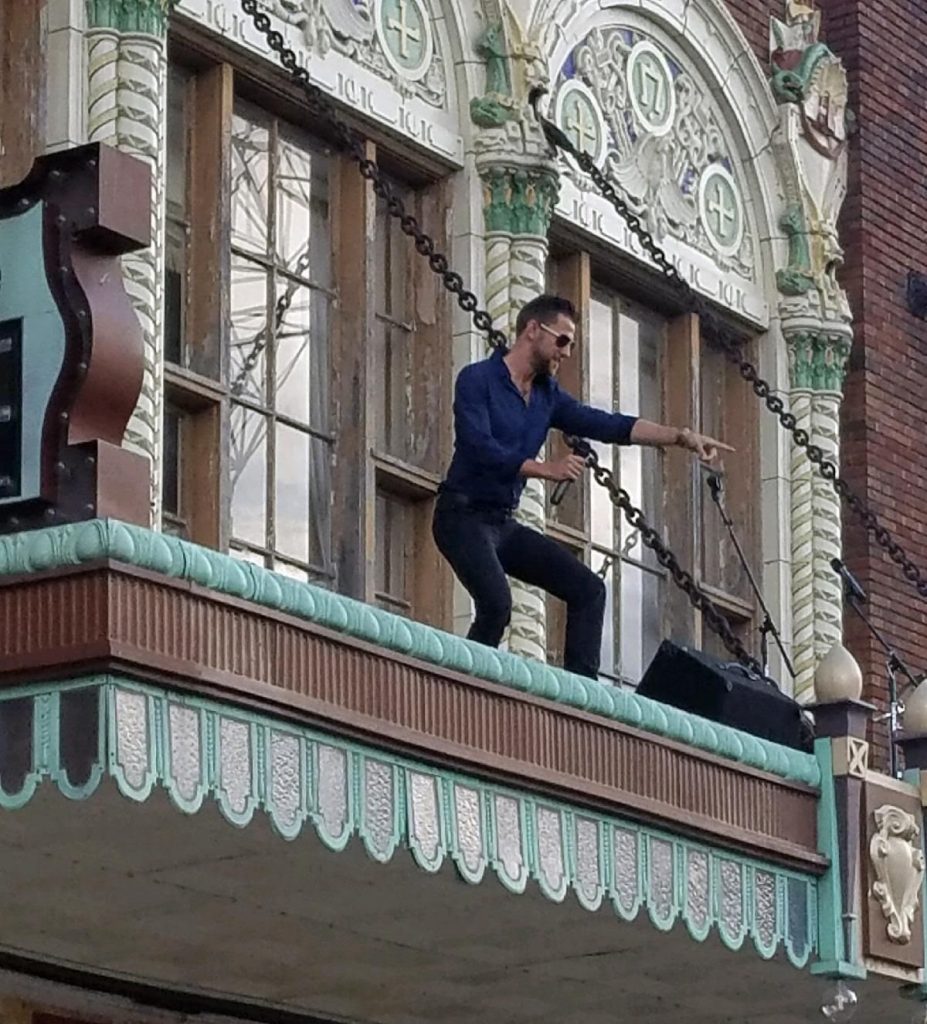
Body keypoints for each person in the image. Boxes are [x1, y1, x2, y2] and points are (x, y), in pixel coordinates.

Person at [433, 294, 733, 680]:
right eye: (563, 340)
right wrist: (546, 469)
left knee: (588, 590)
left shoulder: (547, 396)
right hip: (460, 516)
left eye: (571, 344)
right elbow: (479, 447)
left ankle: (581, 701)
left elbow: (609, 424)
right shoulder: (477, 380)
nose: (567, 352)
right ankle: (461, 685)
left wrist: (680, 436)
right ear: (532, 330)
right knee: (496, 604)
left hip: (501, 523)